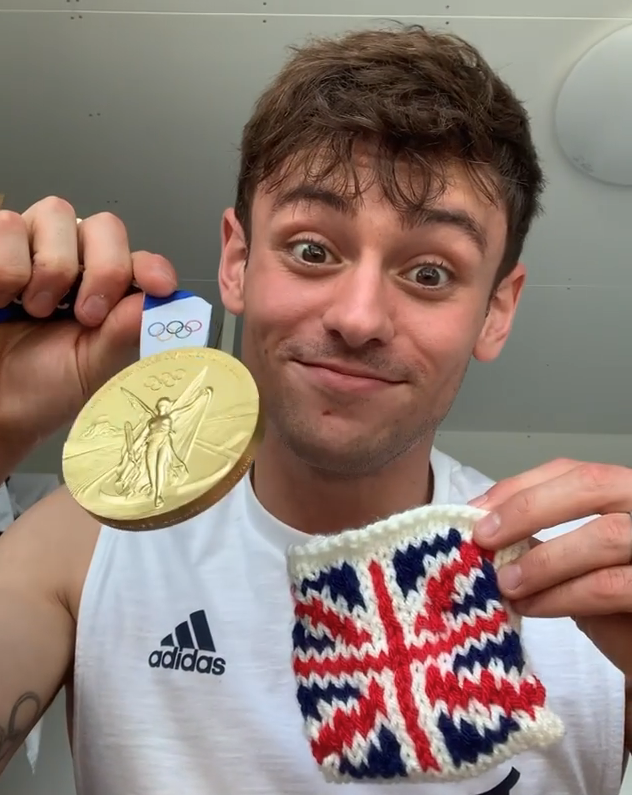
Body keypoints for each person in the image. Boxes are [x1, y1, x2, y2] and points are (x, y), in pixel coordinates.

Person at [0, 23, 629, 795]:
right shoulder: (84, 539)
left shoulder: (590, 578)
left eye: (430, 272)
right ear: (238, 262)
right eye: (312, 250)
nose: (358, 318)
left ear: (496, 310)